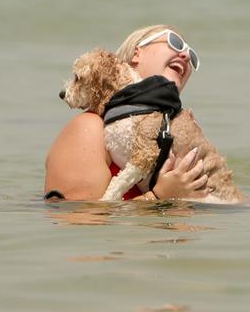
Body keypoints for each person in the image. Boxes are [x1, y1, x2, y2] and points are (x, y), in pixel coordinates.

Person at [44, 25, 210, 201]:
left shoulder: (172, 136)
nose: (185, 56)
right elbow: (81, 218)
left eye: (191, 56)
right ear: (136, 54)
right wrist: (158, 196)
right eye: (174, 43)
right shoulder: (90, 128)